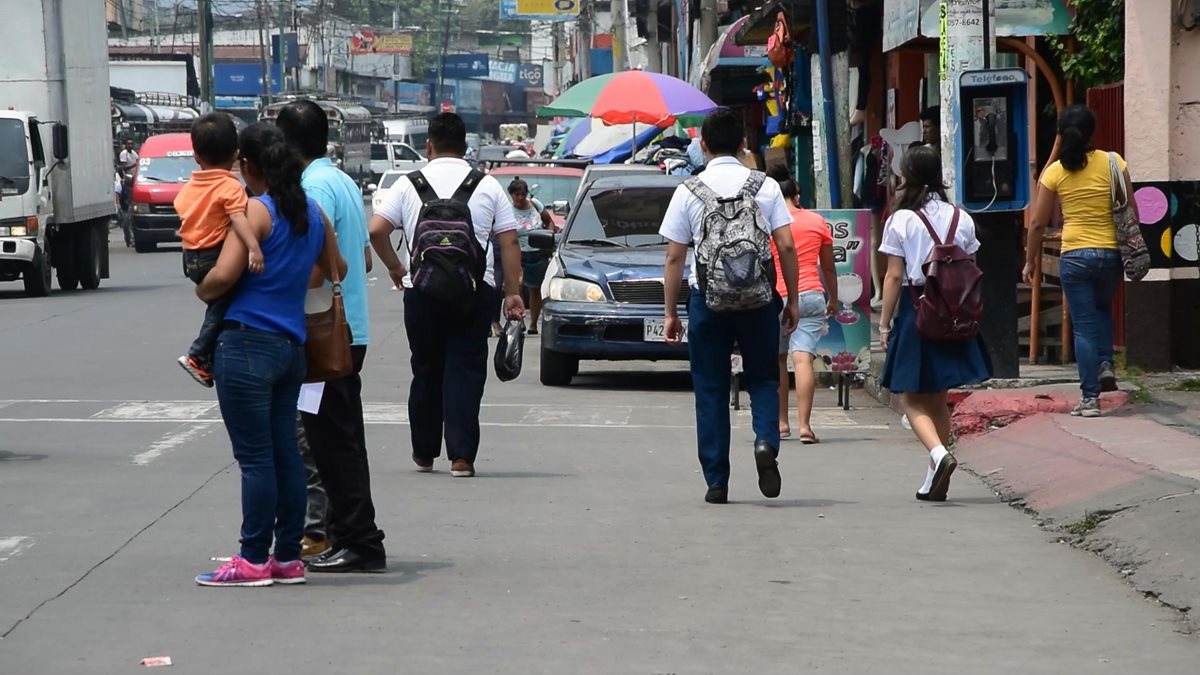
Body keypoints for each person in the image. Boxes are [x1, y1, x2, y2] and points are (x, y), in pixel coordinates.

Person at [193, 122, 345, 587]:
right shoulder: (312, 213)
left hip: (246, 344)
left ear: (249, 165)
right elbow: (335, 269)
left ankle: (253, 558)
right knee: (284, 456)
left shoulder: (257, 212)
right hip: (290, 347)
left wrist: (203, 288)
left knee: (256, 459)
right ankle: (287, 558)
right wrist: (292, 275)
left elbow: (220, 278)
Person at [369, 112, 526, 478]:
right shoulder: (485, 185)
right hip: (474, 293)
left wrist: (397, 268)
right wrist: (513, 293)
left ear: (429, 145)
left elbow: (377, 230)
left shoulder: (410, 184)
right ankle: (461, 457)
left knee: (425, 368)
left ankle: (424, 453)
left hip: (421, 292)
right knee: (466, 370)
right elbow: (509, 242)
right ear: (466, 146)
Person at [660, 108, 801, 505]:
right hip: (759, 300)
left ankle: (717, 481)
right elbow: (786, 245)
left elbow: (674, 258)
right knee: (763, 379)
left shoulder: (688, 190)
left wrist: (671, 313)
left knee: (710, 389)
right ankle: (766, 443)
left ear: (702, 145)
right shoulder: (765, 186)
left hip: (707, 301)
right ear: (743, 144)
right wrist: (789, 298)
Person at [276, 99, 387, 573]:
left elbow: (317, 268)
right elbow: (360, 260)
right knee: (339, 440)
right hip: (348, 330)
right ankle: (351, 535)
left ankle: (358, 540)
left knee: (329, 444)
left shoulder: (313, 186)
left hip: (325, 335)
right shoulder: (339, 179)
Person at [877, 145, 992, 502]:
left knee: (909, 399)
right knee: (938, 397)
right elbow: (969, 267)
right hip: (955, 311)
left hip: (918, 308)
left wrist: (884, 323)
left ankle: (939, 455)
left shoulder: (901, 220)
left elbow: (894, 277)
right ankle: (933, 480)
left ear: (907, 176)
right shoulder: (962, 217)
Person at [1023, 104, 1133, 417]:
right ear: (1092, 131)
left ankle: (1089, 399)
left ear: (1061, 134)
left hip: (1074, 256)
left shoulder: (1055, 171)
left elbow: (1037, 224)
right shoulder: (1114, 162)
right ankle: (1104, 363)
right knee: (1101, 309)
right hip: (1110, 254)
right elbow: (1131, 208)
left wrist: (1030, 261)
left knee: (1083, 325)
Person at [174, 113, 264, 387]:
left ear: (195, 155)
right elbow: (238, 218)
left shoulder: (189, 187)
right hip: (212, 256)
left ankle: (208, 358)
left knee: (217, 303)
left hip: (190, 258)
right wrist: (253, 249)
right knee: (225, 302)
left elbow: (182, 211)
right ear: (236, 155)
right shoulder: (230, 187)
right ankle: (198, 353)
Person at [767, 168, 838, 443]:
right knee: (803, 359)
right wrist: (833, 298)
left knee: (778, 361)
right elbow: (829, 269)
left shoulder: (769, 221)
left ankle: (781, 423)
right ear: (797, 195)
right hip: (810, 294)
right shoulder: (816, 221)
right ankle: (805, 426)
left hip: (776, 296)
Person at [508, 177, 555, 334]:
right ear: (511, 195)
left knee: (535, 289)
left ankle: (533, 323)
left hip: (538, 252)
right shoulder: (507, 210)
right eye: (517, 195)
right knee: (518, 287)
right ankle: (520, 320)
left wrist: (548, 239)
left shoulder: (536, 205)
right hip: (518, 253)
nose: (520, 198)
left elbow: (549, 222)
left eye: (523, 194)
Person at [117, 139, 138, 213]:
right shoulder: (124, 153)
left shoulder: (134, 153)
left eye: (131, 144)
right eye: (128, 144)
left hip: (135, 179)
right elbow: (123, 167)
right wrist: (134, 165)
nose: (130, 145)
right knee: (128, 197)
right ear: (125, 145)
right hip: (128, 179)